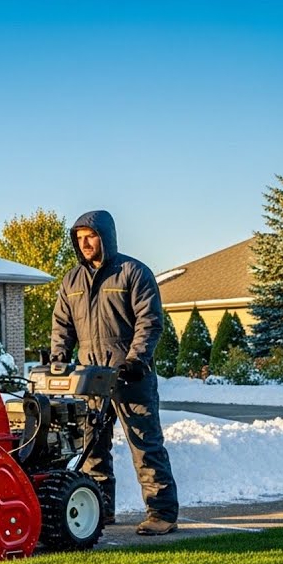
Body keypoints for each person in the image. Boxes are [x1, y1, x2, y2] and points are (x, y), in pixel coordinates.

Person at [50, 210, 179, 536]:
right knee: (92, 447)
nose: (85, 243)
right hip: (90, 377)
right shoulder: (71, 280)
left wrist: (136, 360)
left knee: (145, 444)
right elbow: (62, 326)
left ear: (105, 237)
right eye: (79, 238)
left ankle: (162, 513)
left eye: (90, 236)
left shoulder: (133, 272)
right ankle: (101, 508)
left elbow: (149, 322)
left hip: (129, 375)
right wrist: (58, 360)